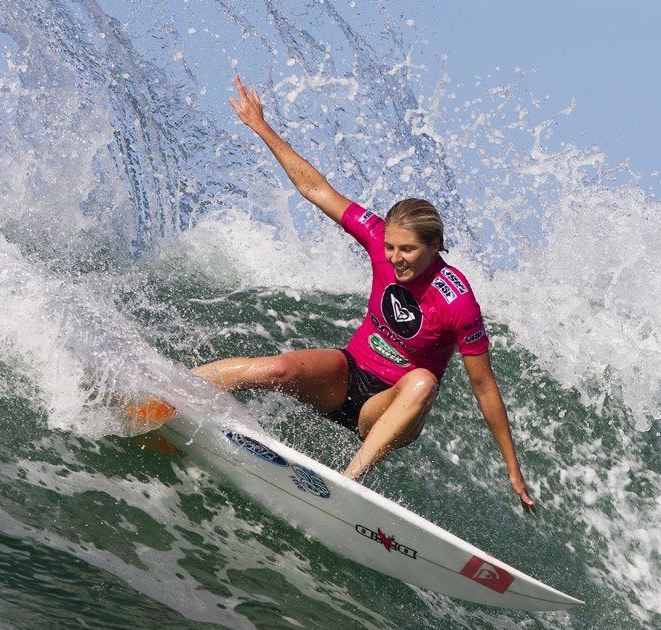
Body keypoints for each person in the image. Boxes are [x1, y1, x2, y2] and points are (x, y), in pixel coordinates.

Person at [166, 75, 535, 513]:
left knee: (422, 379)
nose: (396, 258)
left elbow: (484, 386)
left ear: (435, 247)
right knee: (280, 368)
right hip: (346, 374)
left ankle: (349, 483)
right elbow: (316, 189)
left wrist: (512, 466)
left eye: (409, 251)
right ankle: (170, 388)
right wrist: (261, 126)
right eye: (392, 248)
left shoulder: (456, 300)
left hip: (386, 407)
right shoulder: (380, 240)